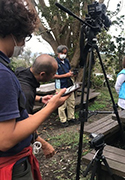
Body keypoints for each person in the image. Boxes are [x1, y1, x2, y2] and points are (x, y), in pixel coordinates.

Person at [0, 0, 70, 179]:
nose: (22, 44)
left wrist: (40, 100)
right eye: (23, 37)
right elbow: (6, 139)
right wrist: (51, 106)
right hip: (11, 165)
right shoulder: (4, 74)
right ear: (12, 32)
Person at [15, 54, 59, 159]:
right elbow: (23, 126)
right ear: (42, 74)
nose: (54, 77)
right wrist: (44, 145)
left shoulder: (22, 73)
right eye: (53, 74)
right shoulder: (27, 92)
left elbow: (18, 94)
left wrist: (39, 98)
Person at [54, 45, 76, 127]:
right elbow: (53, 76)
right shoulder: (55, 63)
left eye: (65, 53)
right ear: (58, 53)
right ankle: (63, 120)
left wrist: (71, 74)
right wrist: (65, 75)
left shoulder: (66, 61)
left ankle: (71, 118)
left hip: (69, 84)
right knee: (62, 104)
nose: (64, 54)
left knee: (71, 102)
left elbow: (69, 70)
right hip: (60, 86)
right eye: (62, 53)